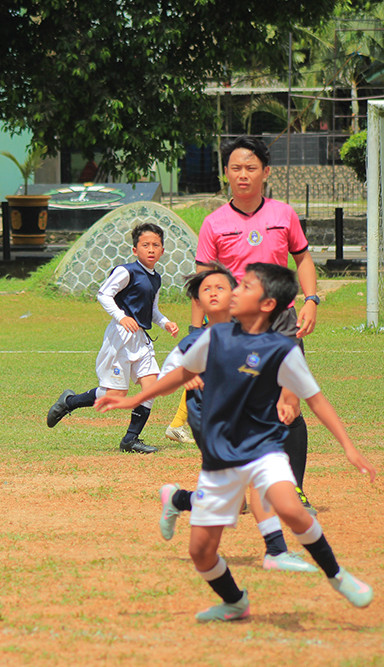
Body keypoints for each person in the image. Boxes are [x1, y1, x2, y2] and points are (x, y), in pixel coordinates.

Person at [97, 262, 376, 622]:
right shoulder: (213, 339)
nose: (234, 291)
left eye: (244, 286)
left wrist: (349, 448)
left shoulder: (282, 349)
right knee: (201, 553)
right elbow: (183, 373)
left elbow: (316, 399)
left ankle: (337, 576)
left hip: (263, 448)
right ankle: (234, 602)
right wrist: (133, 399)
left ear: (266, 304)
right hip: (220, 457)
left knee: (290, 508)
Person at [156, 263, 316, 573]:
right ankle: (274, 550)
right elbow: (166, 380)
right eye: (207, 290)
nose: (215, 293)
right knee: (241, 495)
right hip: (210, 422)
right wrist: (185, 378)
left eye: (223, 287)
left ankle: (179, 500)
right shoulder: (193, 342)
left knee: (247, 490)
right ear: (199, 302)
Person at [192, 135, 321, 512]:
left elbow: (304, 259)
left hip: (282, 323)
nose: (243, 175)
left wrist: (311, 300)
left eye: (251, 168)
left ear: (266, 172)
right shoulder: (214, 223)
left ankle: (293, 491)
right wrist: (198, 333)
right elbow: (204, 284)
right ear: (226, 173)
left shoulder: (284, 215)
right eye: (235, 168)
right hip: (234, 328)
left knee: (289, 404)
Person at [46, 222, 179, 454]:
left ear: (162, 251)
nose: (151, 249)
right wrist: (120, 317)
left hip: (141, 339)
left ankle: (130, 440)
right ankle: (69, 402)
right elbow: (104, 294)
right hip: (120, 338)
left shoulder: (156, 278)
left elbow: (153, 310)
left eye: (156, 245)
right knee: (116, 394)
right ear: (135, 250)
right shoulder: (126, 271)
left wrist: (165, 322)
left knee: (152, 387)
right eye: (145, 244)